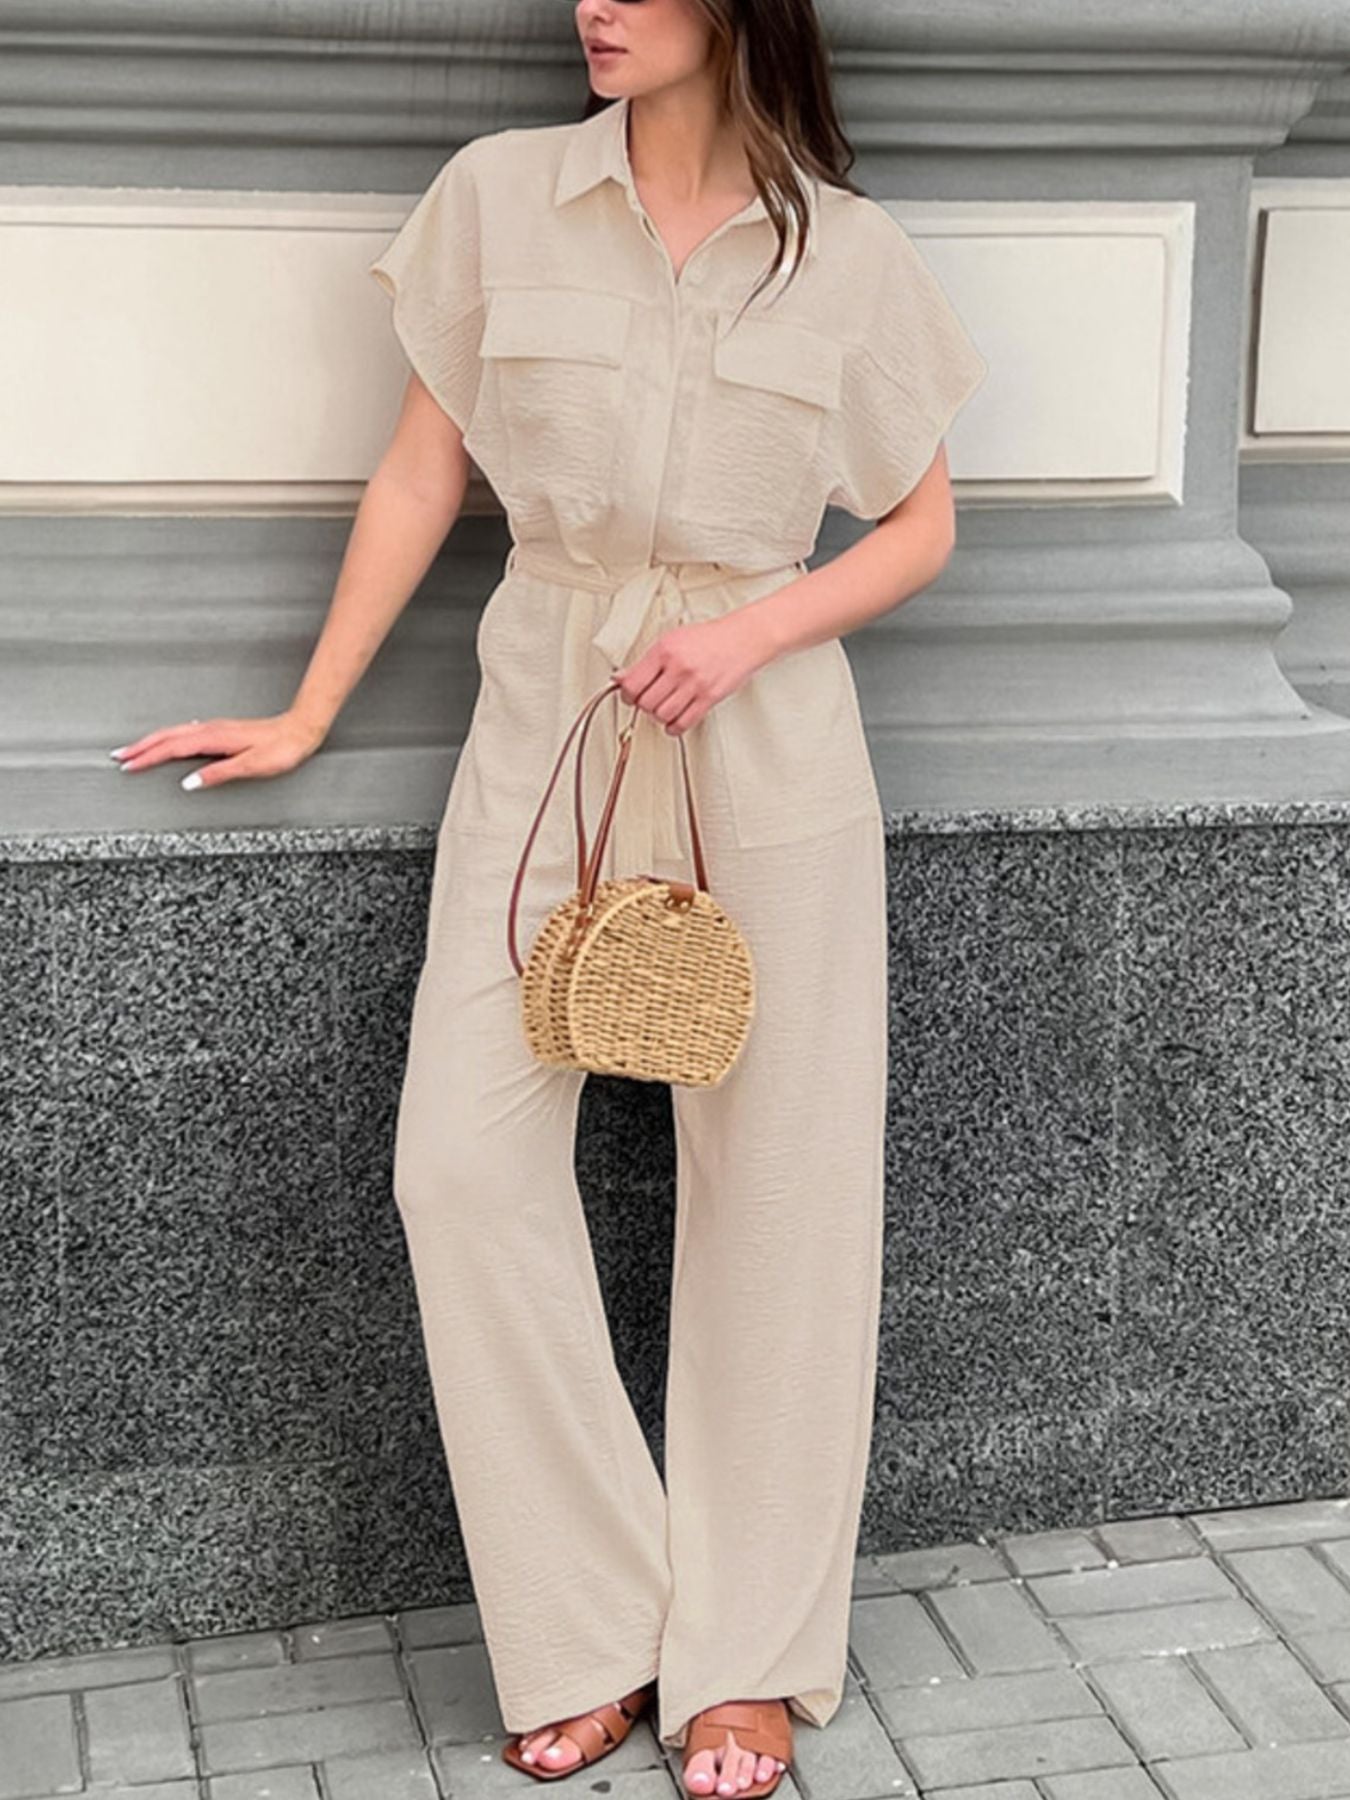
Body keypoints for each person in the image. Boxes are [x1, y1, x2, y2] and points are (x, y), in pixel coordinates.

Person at [110, 1, 987, 1793]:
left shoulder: (847, 252)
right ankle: (593, 1621)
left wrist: (750, 631)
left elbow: (919, 525)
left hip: (764, 743)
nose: (595, 3)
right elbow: (423, 468)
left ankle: (746, 1658)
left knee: (785, 1191)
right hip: (549, 729)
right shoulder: (499, 196)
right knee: (458, 1162)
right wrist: (309, 708)